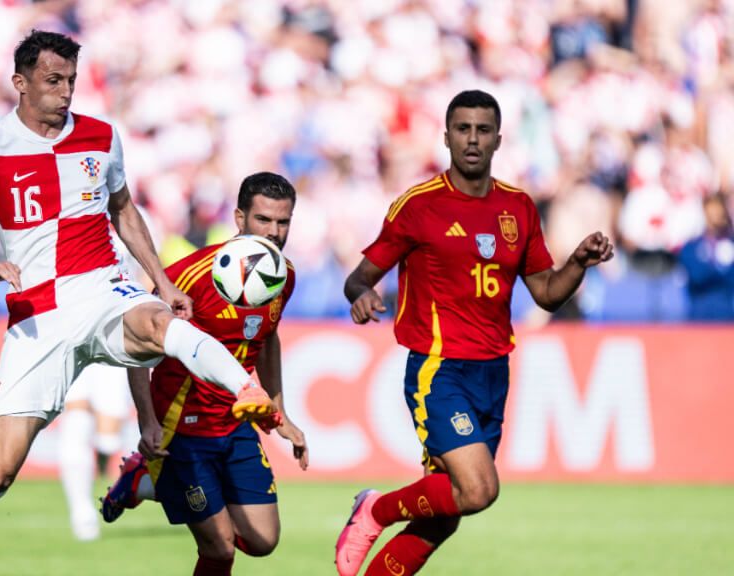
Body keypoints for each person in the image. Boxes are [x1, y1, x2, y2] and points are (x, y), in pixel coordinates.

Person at [0, 31, 277, 576]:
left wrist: (159, 280)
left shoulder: (101, 137)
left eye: (71, 82)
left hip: (103, 287)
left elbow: (124, 210)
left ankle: (242, 387)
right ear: (20, 83)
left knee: (160, 322)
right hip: (39, 314)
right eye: (52, 81)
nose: (65, 93)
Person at [334, 90, 614, 576]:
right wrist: (360, 294)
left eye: (483, 130)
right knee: (479, 490)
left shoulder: (518, 208)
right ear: (446, 137)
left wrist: (578, 263)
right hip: (439, 369)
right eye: (462, 129)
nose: (472, 139)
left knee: (446, 514)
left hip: (493, 373)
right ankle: (374, 510)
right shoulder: (418, 206)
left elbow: (546, 293)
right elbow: (360, 275)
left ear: (498, 139)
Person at [99, 172, 309, 576]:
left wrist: (282, 415)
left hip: (235, 423)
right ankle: (155, 471)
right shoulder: (190, 275)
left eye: (283, 223)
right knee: (220, 547)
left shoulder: (284, 276)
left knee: (262, 541)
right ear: (239, 218)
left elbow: (269, 340)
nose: (274, 233)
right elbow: (138, 346)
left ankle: (145, 481)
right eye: (263, 220)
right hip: (182, 428)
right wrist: (147, 420)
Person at [58, 362, 134, 542]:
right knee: (76, 420)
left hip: (111, 354)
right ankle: (83, 515)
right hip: (73, 345)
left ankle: (103, 467)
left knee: (109, 442)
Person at [677, 194, 734, 321]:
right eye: (712, 211)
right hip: (700, 313)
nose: (717, 216)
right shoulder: (692, 247)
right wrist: (721, 270)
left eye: (719, 211)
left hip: (727, 313)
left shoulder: (731, 243)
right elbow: (697, 276)